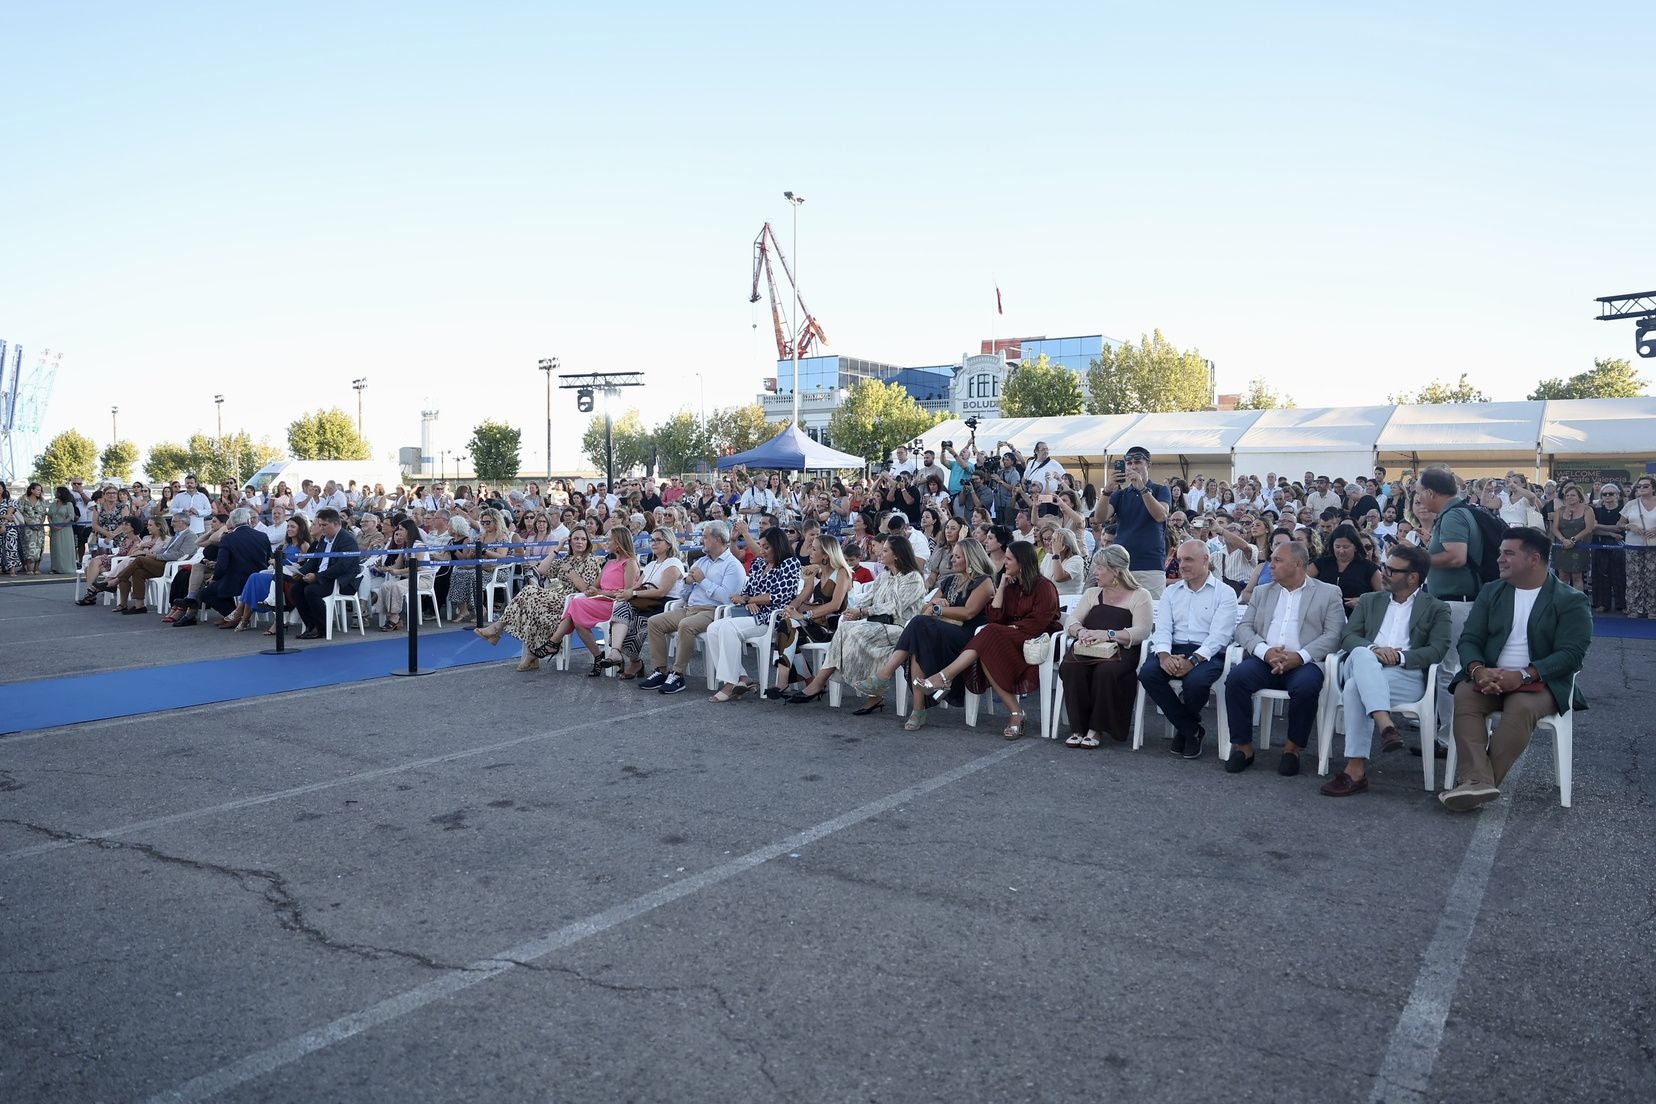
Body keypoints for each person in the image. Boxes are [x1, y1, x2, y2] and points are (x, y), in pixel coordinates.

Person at [1439, 527, 1591, 811]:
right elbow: (1470, 639)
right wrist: (1477, 670)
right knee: (1465, 696)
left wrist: (1522, 675)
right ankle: (1479, 783)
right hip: (1489, 675)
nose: (1500, 559)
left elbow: (1571, 655)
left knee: (1520, 706)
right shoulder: (1491, 591)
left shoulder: (1570, 599)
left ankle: (1476, 783)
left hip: (1540, 681)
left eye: (1508, 553)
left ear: (1534, 559)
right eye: (1500, 553)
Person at [1320, 543, 1452, 796]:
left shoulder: (1436, 607)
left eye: (1391, 570)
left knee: (1354, 688)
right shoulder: (1370, 600)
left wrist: (1400, 657)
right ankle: (1384, 723)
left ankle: (1356, 770)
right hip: (1361, 663)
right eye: (1384, 567)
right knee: (1361, 653)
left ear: (1413, 577)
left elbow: (1437, 651)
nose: (1384, 573)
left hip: (1405, 674)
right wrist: (1373, 650)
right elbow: (1348, 636)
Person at [1222, 541, 1347, 775]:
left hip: (1305, 662)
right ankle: (1244, 748)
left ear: (1297, 564)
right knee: (1236, 679)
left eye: (1277, 560)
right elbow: (1243, 628)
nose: (1271, 565)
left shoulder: (1328, 593)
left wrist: (1299, 657)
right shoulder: (1262, 591)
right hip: (1264, 659)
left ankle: (1292, 750)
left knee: (1306, 687)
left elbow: (1334, 636)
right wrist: (1265, 652)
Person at [917, 540, 1061, 740]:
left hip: (1035, 639)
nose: (1005, 563)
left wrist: (1012, 627)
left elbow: (1039, 622)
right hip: (1006, 637)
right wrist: (1001, 586)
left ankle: (943, 677)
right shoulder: (1010, 586)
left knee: (990, 634)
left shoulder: (1044, 586)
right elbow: (994, 617)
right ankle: (1016, 713)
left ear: (1023, 562)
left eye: (1009, 559)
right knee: (988, 643)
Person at [786, 536, 927, 713]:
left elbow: (895, 607)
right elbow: (867, 599)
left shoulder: (913, 578)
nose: (879, 553)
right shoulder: (884, 577)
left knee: (854, 632)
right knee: (846, 627)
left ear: (897, 555)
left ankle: (824, 684)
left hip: (902, 630)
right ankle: (827, 684)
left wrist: (862, 612)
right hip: (877, 625)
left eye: (885, 550)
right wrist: (851, 608)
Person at [872, 537, 996, 729]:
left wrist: (938, 609)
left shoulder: (983, 582)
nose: (952, 560)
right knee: (918, 643)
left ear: (971, 558)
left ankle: (884, 676)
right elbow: (924, 608)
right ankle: (917, 711)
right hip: (944, 634)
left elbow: (968, 613)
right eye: (952, 556)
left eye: (957, 556)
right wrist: (933, 606)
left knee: (919, 625)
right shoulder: (949, 581)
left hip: (968, 638)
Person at [1138, 539, 1241, 758]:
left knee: (1196, 682)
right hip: (1173, 649)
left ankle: (1185, 730)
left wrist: (1193, 661)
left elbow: (1220, 636)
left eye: (1188, 559)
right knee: (1148, 673)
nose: (1181, 565)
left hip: (1208, 652)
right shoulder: (1172, 592)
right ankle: (1191, 728)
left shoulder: (1225, 593)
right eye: (1179, 559)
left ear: (1206, 560)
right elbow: (1163, 628)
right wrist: (1164, 656)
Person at [1058, 544, 1154, 747]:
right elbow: (1071, 620)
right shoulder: (1092, 593)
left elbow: (1142, 631)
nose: (1095, 572)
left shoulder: (1140, 595)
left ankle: (1096, 728)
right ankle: (1078, 727)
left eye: (1100, 567)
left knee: (1106, 671)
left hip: (1121, 651)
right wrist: (1080, 631)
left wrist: (1108, 634)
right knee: (1071, 666)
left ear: (1116, 571)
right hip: (1088, 646)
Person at [641, 521, 748, 694]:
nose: (701, 540)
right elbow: (685, 594)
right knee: (654, 622)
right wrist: (687, 583)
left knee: (686, 625)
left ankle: (678, 674)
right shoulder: (701, 562)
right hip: (690, 608)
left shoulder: (733, 565)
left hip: (713, 611)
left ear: (718, 539)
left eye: (705, 537)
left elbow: (727, 598)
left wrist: (702, 581)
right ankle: (660, 670)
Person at [476, 527, 603, 671]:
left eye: (583, 539)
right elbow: (541, 570)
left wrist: (569, 571)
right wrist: (556, 550)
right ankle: (531, 656)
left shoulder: (590, 560)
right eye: (576, 539)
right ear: (569, 541)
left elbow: (585, 589)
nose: (580, 542)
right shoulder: (567, 559)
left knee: (529, 591)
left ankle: (498, 628)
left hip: (574, 602)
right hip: (559, 601)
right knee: (535, 611)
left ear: (588, 542)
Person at [704, 527, 802, 701]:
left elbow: (777, 596)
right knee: (713, 628)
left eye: (766, 547)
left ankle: (730, 683)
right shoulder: (758, 564)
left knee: (727, 628)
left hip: (773, 618)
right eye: (761, 546)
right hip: (751, 614)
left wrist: (750, 600)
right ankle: (741, 678)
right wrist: (749, 600)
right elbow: (743, 594)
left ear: (777, 547)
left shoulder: (790, 563)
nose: (761, 551)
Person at [536, 525, 642, 676]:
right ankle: (598, 656)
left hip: (616, 606)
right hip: (599, 601)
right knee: (577, 618)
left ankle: (554, 642)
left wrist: (598, 592)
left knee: (576, 604)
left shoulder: (630, 563)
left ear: (618, 543)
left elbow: (627, 593)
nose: (606, 542)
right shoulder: (610, 563)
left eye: (609, 539)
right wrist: (592, 590)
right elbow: (593, 587)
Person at [770, 535, 853, 699]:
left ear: (826, 555)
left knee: (788, 629)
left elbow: (835, 605)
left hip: (832, 627)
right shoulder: (814, 573)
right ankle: (796, 683)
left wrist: (803, 615)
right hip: (811, 624)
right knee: (788, 629)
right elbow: (801, 598)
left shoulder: (842, 573)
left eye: (814, 549)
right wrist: (790, 608)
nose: (809, 551)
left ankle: (789, 683)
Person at [600, 529, 686, 679]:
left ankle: (635, 663)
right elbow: (637, 586)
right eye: (652, 540)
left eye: (658, 540)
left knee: (636, 621)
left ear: (668, 543)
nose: (653, 543)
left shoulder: (673, 563)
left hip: (665, 606)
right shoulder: (651, 564)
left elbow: (661, 592)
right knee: (622, 606)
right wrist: (625, 593)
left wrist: (632, 593)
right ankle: (615, 652)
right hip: (645, 601)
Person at [1099, 445, 1171, 596]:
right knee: (1120, 614)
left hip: (1150, 565)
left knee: (1152, 613)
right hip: (1121, 566)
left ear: (1148, 465)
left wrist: (1142, 488)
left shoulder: (1160, 489)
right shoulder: (1119, 494)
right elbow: (1100, 518)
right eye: (1129, 462)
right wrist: (1107, 490)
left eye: (1138, 462)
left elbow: (1161, 516)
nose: (1133, 466)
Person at [287, 508, 361, 639]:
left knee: (311, 591)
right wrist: (300, 573)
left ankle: (322, 627)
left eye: (324, 525)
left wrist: (317, 576)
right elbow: (314, 561)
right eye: (320, 525)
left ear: (336, 524)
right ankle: (311, 625)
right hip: (322, 577)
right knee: (296, 589)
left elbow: (342, 567)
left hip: (340, 580)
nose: (321, 528)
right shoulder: (323, 540)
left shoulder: (347, 540)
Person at [107, 510, 199, 615]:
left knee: (139, 560)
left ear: (182, 522)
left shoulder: (190, 536)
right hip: (163, 562)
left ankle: (116, 580)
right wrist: (153, 554)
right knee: (138, 572)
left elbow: (181, 555)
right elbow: (166, 551)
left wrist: (156, 556)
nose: (171, 523)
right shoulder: (177, 535)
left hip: (171, 566)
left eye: (174, 521)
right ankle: (139, 606)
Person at [1310, 522, 1383, 610]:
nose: (1341, 551)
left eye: (1346, 547)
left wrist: (1363, 601)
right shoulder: (1322, 563)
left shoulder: (1369, 567)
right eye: (1337, 546)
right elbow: (1302, 581)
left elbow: (1384, 595)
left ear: (1356, 547)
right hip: (1324, 614)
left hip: (1355, 616)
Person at [370, 519, 423, 632]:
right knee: (385, 586)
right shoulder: (406, 546)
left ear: (409, 531)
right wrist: (384, 569)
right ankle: (391, 616)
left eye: (401, 530)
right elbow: (396, 566)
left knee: (396, 586)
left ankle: (395, 618)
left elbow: (418, 567)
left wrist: (398, 572)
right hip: (408, 578)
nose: (398, 532)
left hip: (421, 579)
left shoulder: (419, 545)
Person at [1621, 476, 1656, 619]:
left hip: (1653, 547)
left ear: (1653, 488)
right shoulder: (1631, 504)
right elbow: (1619, 523)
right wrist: (1629, 526)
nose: (1641, 488)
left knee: (1652, 577)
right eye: (1639, 486)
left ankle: (1652, 609)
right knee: (1633, 578)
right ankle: (1634, 608)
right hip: (1633, 546)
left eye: (1645, 486)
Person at [1590, 483, 1626, 613]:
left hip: (1619, 546)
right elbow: (1593, 529)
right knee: (1601, 575)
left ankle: (1621, 604)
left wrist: (1599, 525)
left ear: (1617, 495)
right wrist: (1610, 532)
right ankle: (1602, 603)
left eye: (1611, 493)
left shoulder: (1623, 510)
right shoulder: (1597, 511)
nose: (1607, 496)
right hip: (1600, 544)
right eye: (1604, 494)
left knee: (1619, 575)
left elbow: (1620, 527)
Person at [1548, 483, 1591, 592]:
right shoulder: (1560, 510)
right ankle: (1564, 602)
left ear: (1579, 497)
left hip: (1579, 546)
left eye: (1572, 495)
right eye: (1567, 495)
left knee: (1577, 577)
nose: (1569, 497)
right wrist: (1563, 540)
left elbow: (1589, 528)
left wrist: (1573, 540)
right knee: (1563, 576)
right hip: (1562, 546)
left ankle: (1577, 603)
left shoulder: (1587, 510)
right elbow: (1554, 528)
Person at [1040, 526, 1086, 596]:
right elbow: (1040, 577)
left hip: (1068, 600)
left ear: (1065, 546)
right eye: (1051, 539)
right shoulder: (1049, 556)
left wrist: (1056, 553)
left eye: (1054, 541)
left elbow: (1059, 577)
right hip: (1050, 598)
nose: (1050, 543)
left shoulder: (1077, 560)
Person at [48, 487, 77, 573]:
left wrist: (61, 526)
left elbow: (70, 516)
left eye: (57, 492)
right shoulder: (53, 504)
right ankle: (55, 568)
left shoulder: (68, 504)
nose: (55, 493)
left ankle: (67, 568)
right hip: (54, 530)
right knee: (56, 548)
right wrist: (51, 524)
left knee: (66, 548)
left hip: (65, 530)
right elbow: (49, 515)